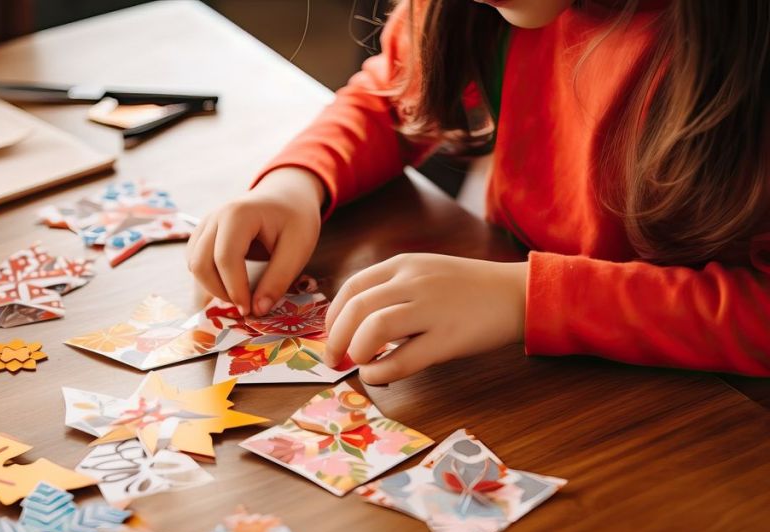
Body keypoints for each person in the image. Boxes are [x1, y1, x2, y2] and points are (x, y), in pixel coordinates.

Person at [186, 0, 770, 384]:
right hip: (544, 366)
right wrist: (298, 182)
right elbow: (389, 96)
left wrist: (528, 298)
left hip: (714, 414)